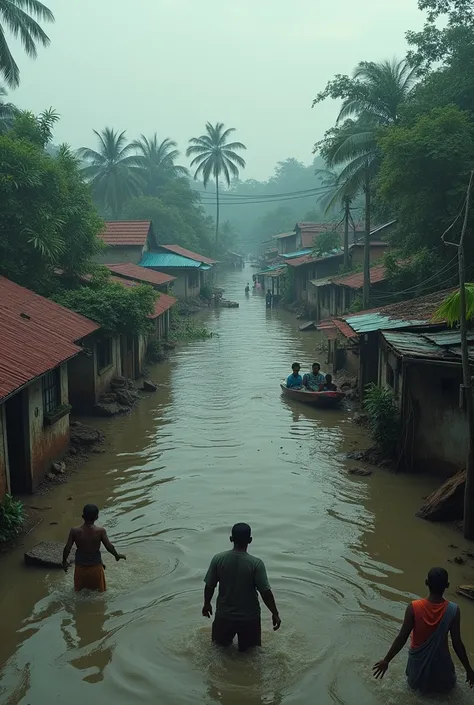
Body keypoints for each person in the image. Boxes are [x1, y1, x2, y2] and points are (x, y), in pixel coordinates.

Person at [373, 567, 474, 694]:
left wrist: (387, 660)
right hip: (441, 665)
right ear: (447, 585)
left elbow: (402, 637)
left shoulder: (413, 607)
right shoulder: (453, 610)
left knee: (415, 694)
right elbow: (457, 643)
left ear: (426, 582)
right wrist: (468, 670)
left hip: (417, 665)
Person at [202, 523, 281, 652]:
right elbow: (265, 593)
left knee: (219, 652)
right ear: (250, 540)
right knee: (251, 655)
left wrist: (206, 604)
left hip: (224, 616)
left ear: (231, 539)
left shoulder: (218, 559)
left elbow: (209, 585)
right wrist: (275, 613)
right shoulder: (256, 564)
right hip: (249, 618)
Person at [62, 504, 126, 592]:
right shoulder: (100, 531)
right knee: (100, 594)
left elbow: (67, 548)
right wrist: (116, 555)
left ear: (83, 516)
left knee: (79, 593)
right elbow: (109, 546)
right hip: (96, 568)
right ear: (97, 517)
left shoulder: (75, 531)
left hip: (80, 569)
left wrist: (64, 561)